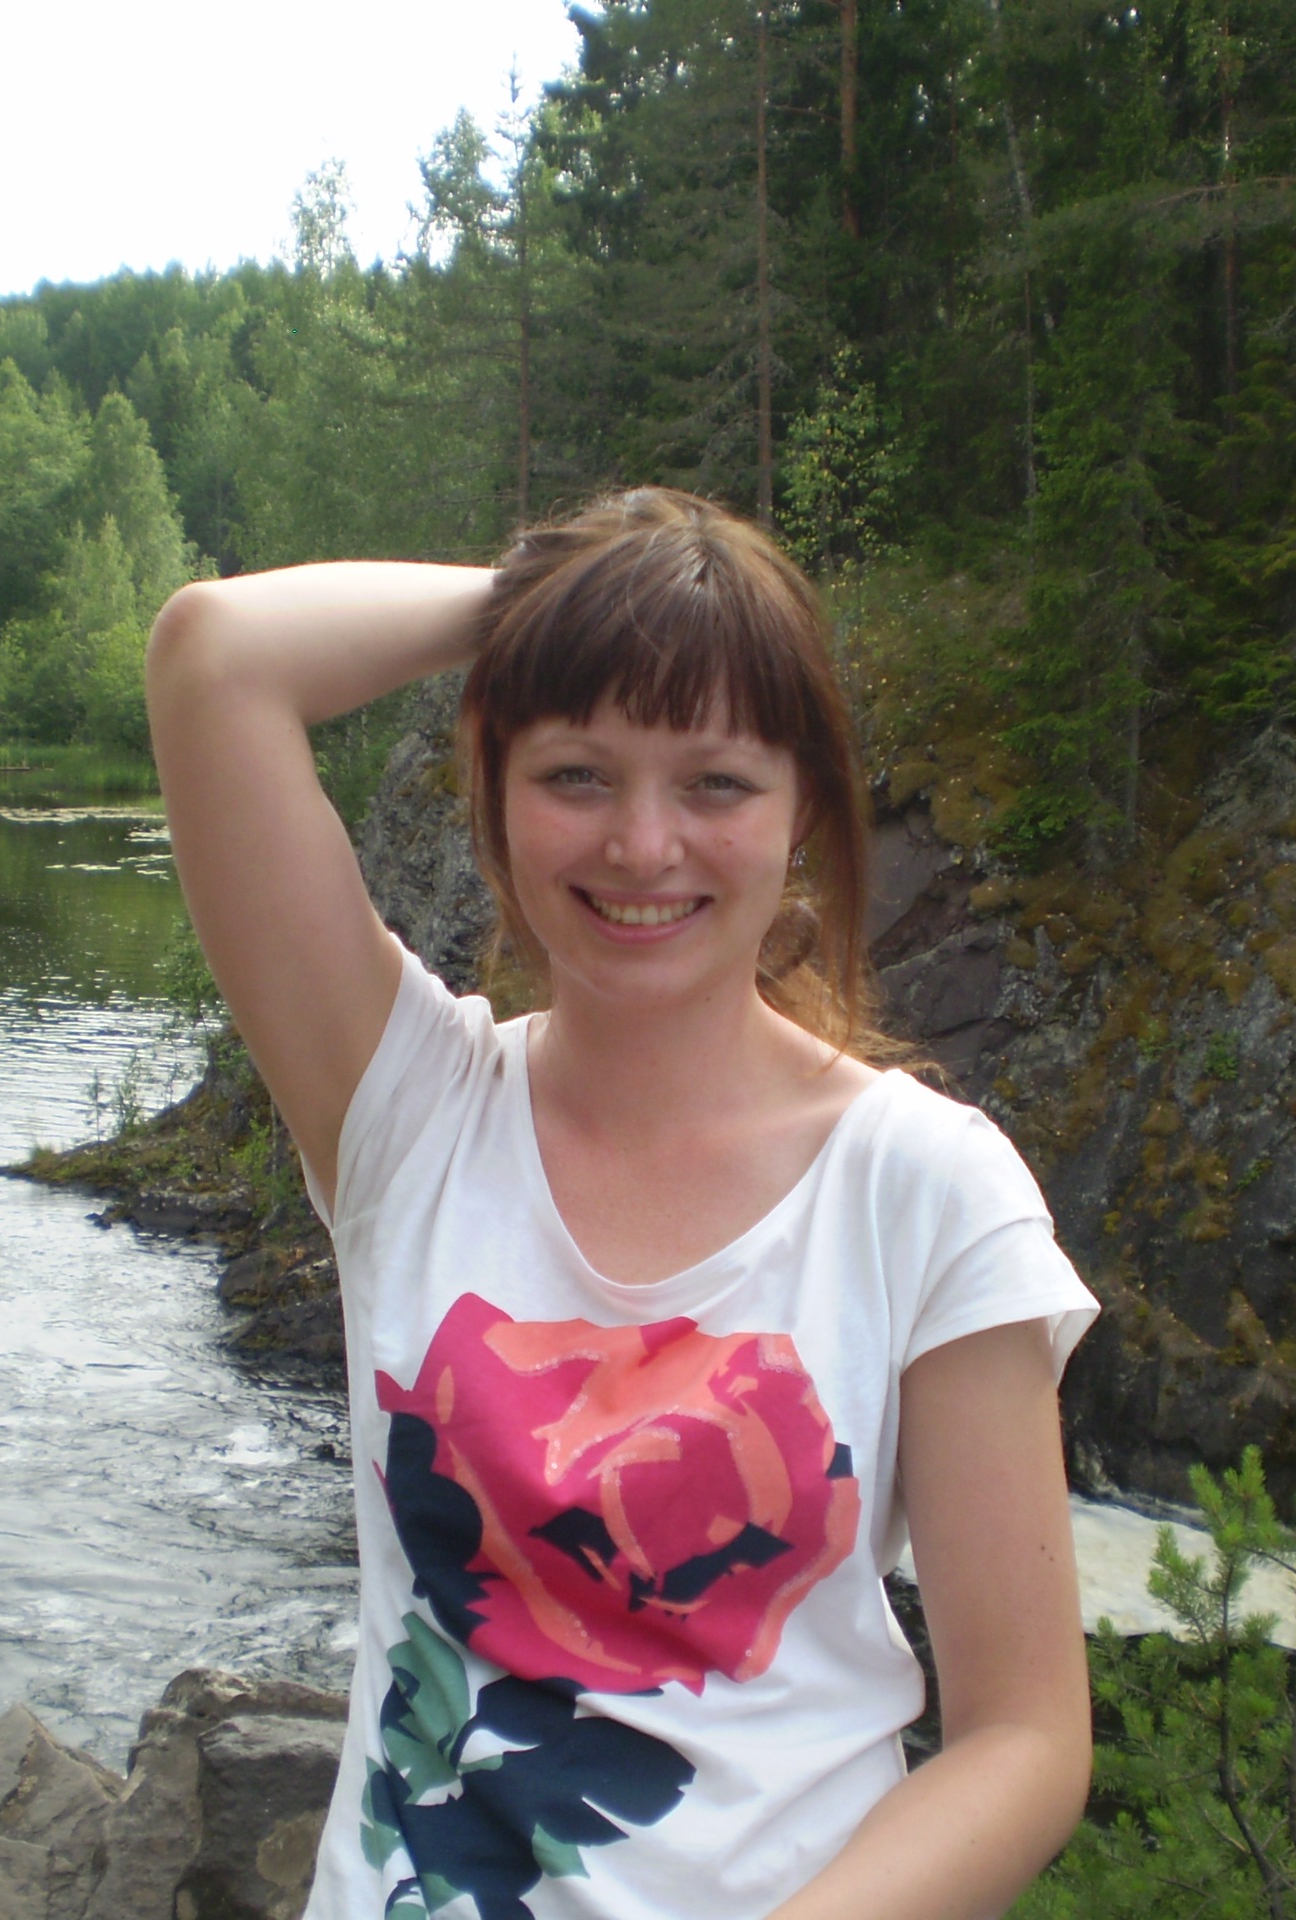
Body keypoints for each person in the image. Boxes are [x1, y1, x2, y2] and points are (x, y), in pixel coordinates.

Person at [147, 488, 1097, 1920]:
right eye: (578, 773)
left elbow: (1025, 1739)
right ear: (495, 790)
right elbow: (215, 656)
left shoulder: (928, 1194)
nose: (644, 846)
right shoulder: (407, 1111)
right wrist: (557, 600)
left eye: (716, 784)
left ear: (802, 809)